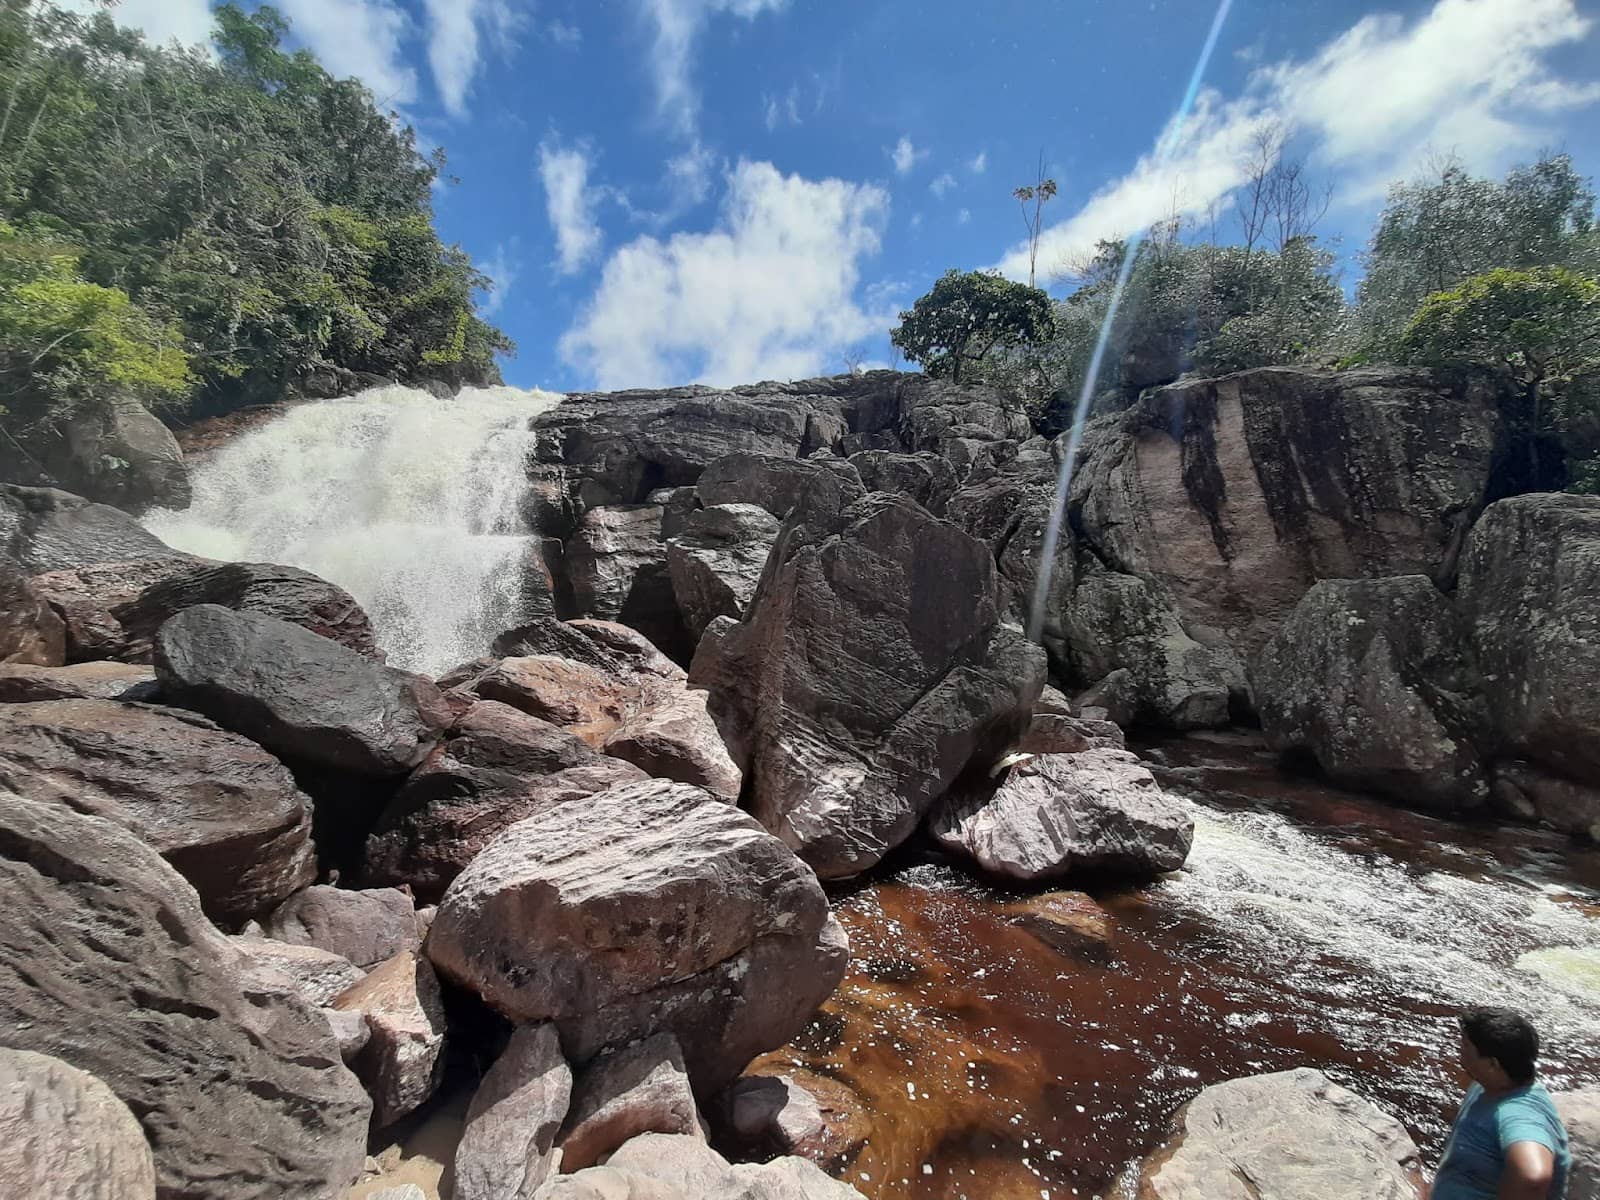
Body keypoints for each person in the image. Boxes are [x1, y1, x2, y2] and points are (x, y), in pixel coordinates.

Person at [1432, 1007, 1571, 1199]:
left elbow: (1533, 1177)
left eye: (1465, 1047)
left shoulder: (1518, 1113)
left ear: (1492, 1064)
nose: (1459, 1053)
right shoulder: (1490, 1085)